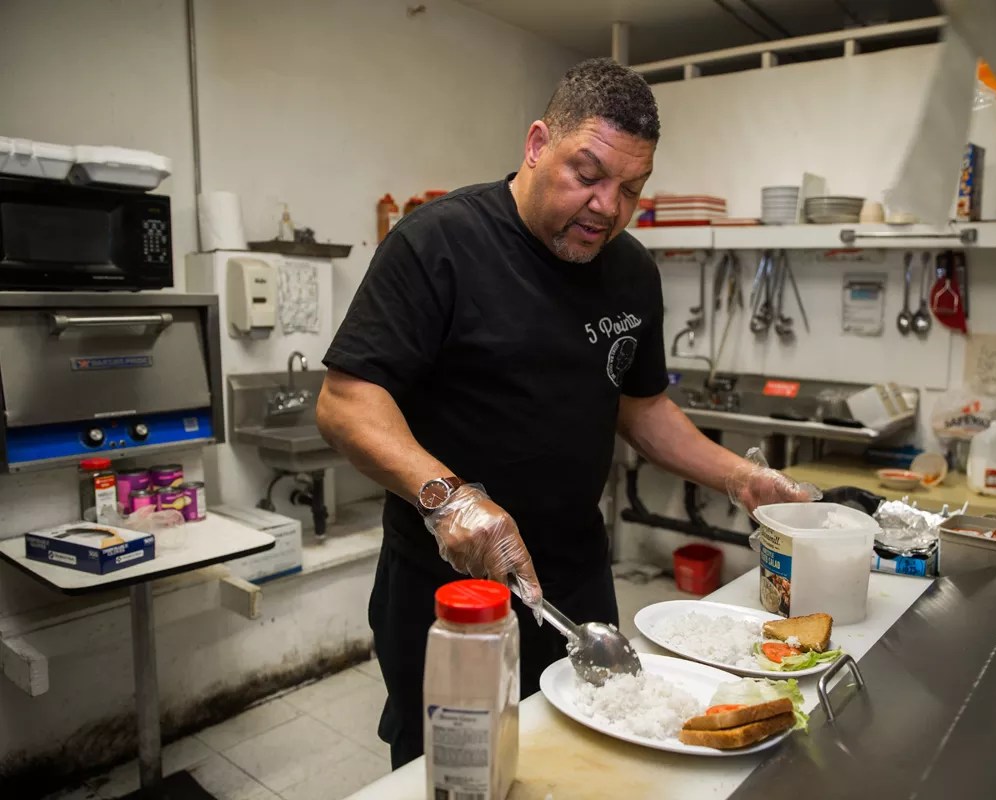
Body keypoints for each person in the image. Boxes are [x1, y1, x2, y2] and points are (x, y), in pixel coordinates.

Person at [316, 57, 818, 768]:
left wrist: (741, 477)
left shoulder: (632, 271)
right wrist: (450, 500)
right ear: (536, 144)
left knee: (588, 755)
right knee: (456, 764)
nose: (607, 207)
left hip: (577, 580)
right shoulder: (438, 243)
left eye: (631, 189)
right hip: (450, 586)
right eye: (588, 174)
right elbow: (346, 401)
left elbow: (642, 409)